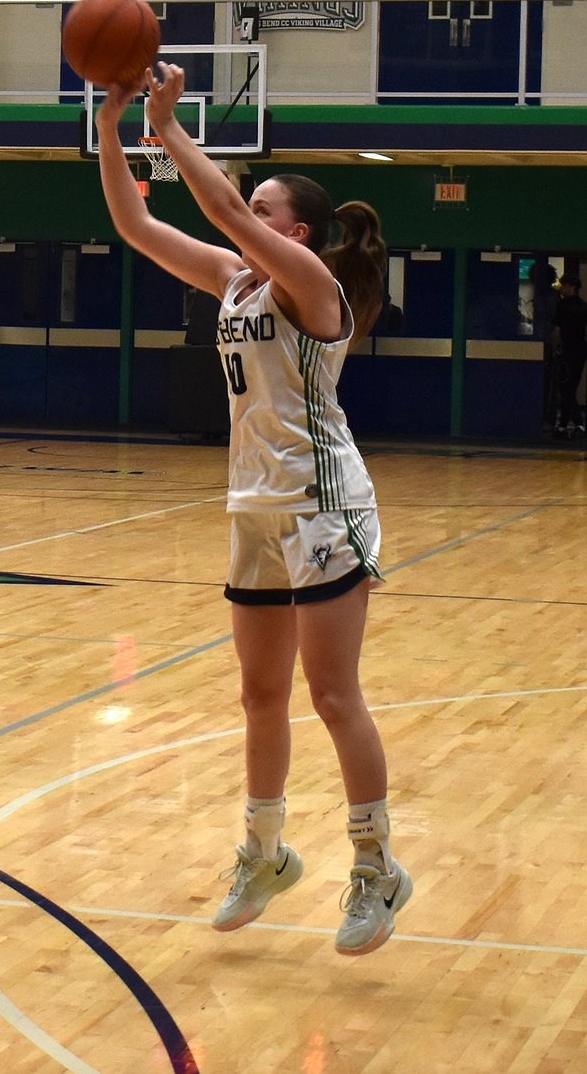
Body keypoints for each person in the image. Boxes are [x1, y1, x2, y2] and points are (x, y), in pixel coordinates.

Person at [96, 62, 412, 958]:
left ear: (295, 231)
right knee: (259, 693)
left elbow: (224, 209)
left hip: (322, 502)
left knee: (332, 694)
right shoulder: (234, 280)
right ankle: (265, 853)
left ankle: (376, 867)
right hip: (252, 504)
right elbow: (135, 225)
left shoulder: (313, 286)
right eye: (254, 208)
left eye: (265, 208)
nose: (248, 216)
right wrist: (113, 126)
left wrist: (168, 126)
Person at [551, 271, 587, 437]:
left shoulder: (562, 305)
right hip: (580, 350)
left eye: (563, 285)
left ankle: (579, 423)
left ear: (571, 287)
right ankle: (563, 426)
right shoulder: (583, 306)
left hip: (567, 350)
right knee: (571, 387)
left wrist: (556, 348)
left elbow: (557, 330)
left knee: (565, 388)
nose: (561, 288)